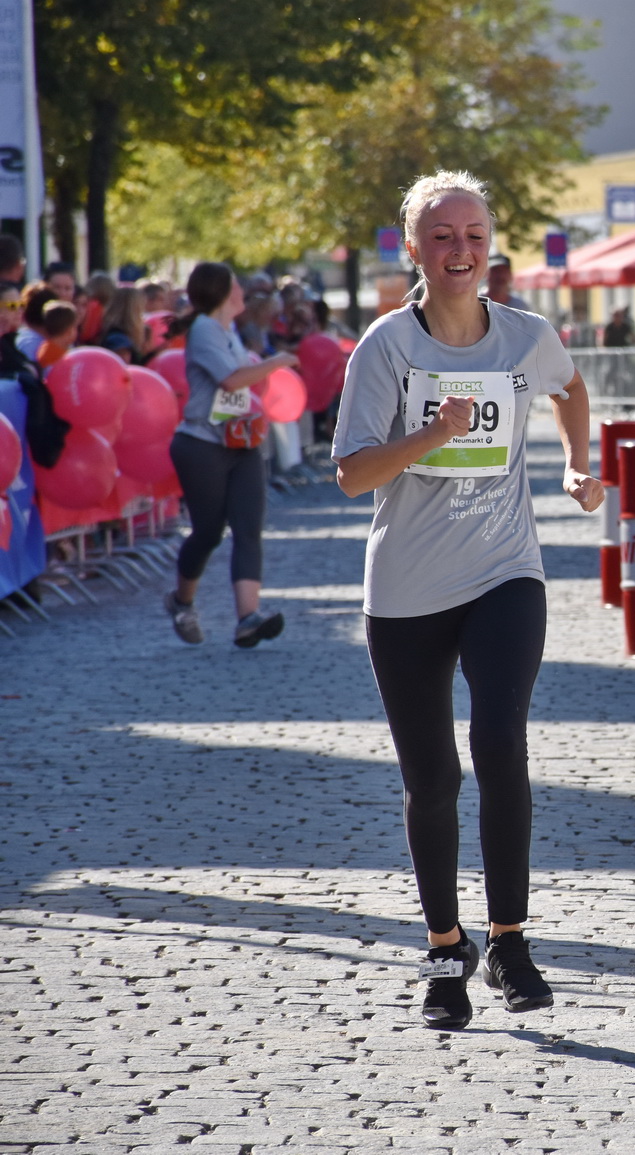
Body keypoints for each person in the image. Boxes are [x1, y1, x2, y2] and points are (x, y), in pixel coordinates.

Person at [332, 170, 604, 1031]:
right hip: (407, 589)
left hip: (503, 571)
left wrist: (575, 461)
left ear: (493, 247)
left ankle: (512, 940)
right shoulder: (385, 347)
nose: (460, 251)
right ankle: (447, 949)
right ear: (414, 247)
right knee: (432, 778)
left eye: (474, 236)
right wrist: (433, 434)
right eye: (442, 236)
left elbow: (570, 389)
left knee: (500, 742)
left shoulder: (525, 336)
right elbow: (351, 474)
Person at [163, 262, 299, 648]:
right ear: (223, 292)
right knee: (207, 532)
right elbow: (231, 380)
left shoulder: (228, 330)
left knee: (248, 529)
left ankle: (247, 619)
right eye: (236, 286)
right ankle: (181, 602)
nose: (242, 291)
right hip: (202, 444)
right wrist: (278, 361)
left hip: (242, 443)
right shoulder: (205, 328)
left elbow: (242, 384)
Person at [99, 287, 157, 364]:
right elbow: (126, 370)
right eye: (141, 310)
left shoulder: (116, 334)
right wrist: (154, 354)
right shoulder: (118, 339)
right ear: (134, 311)